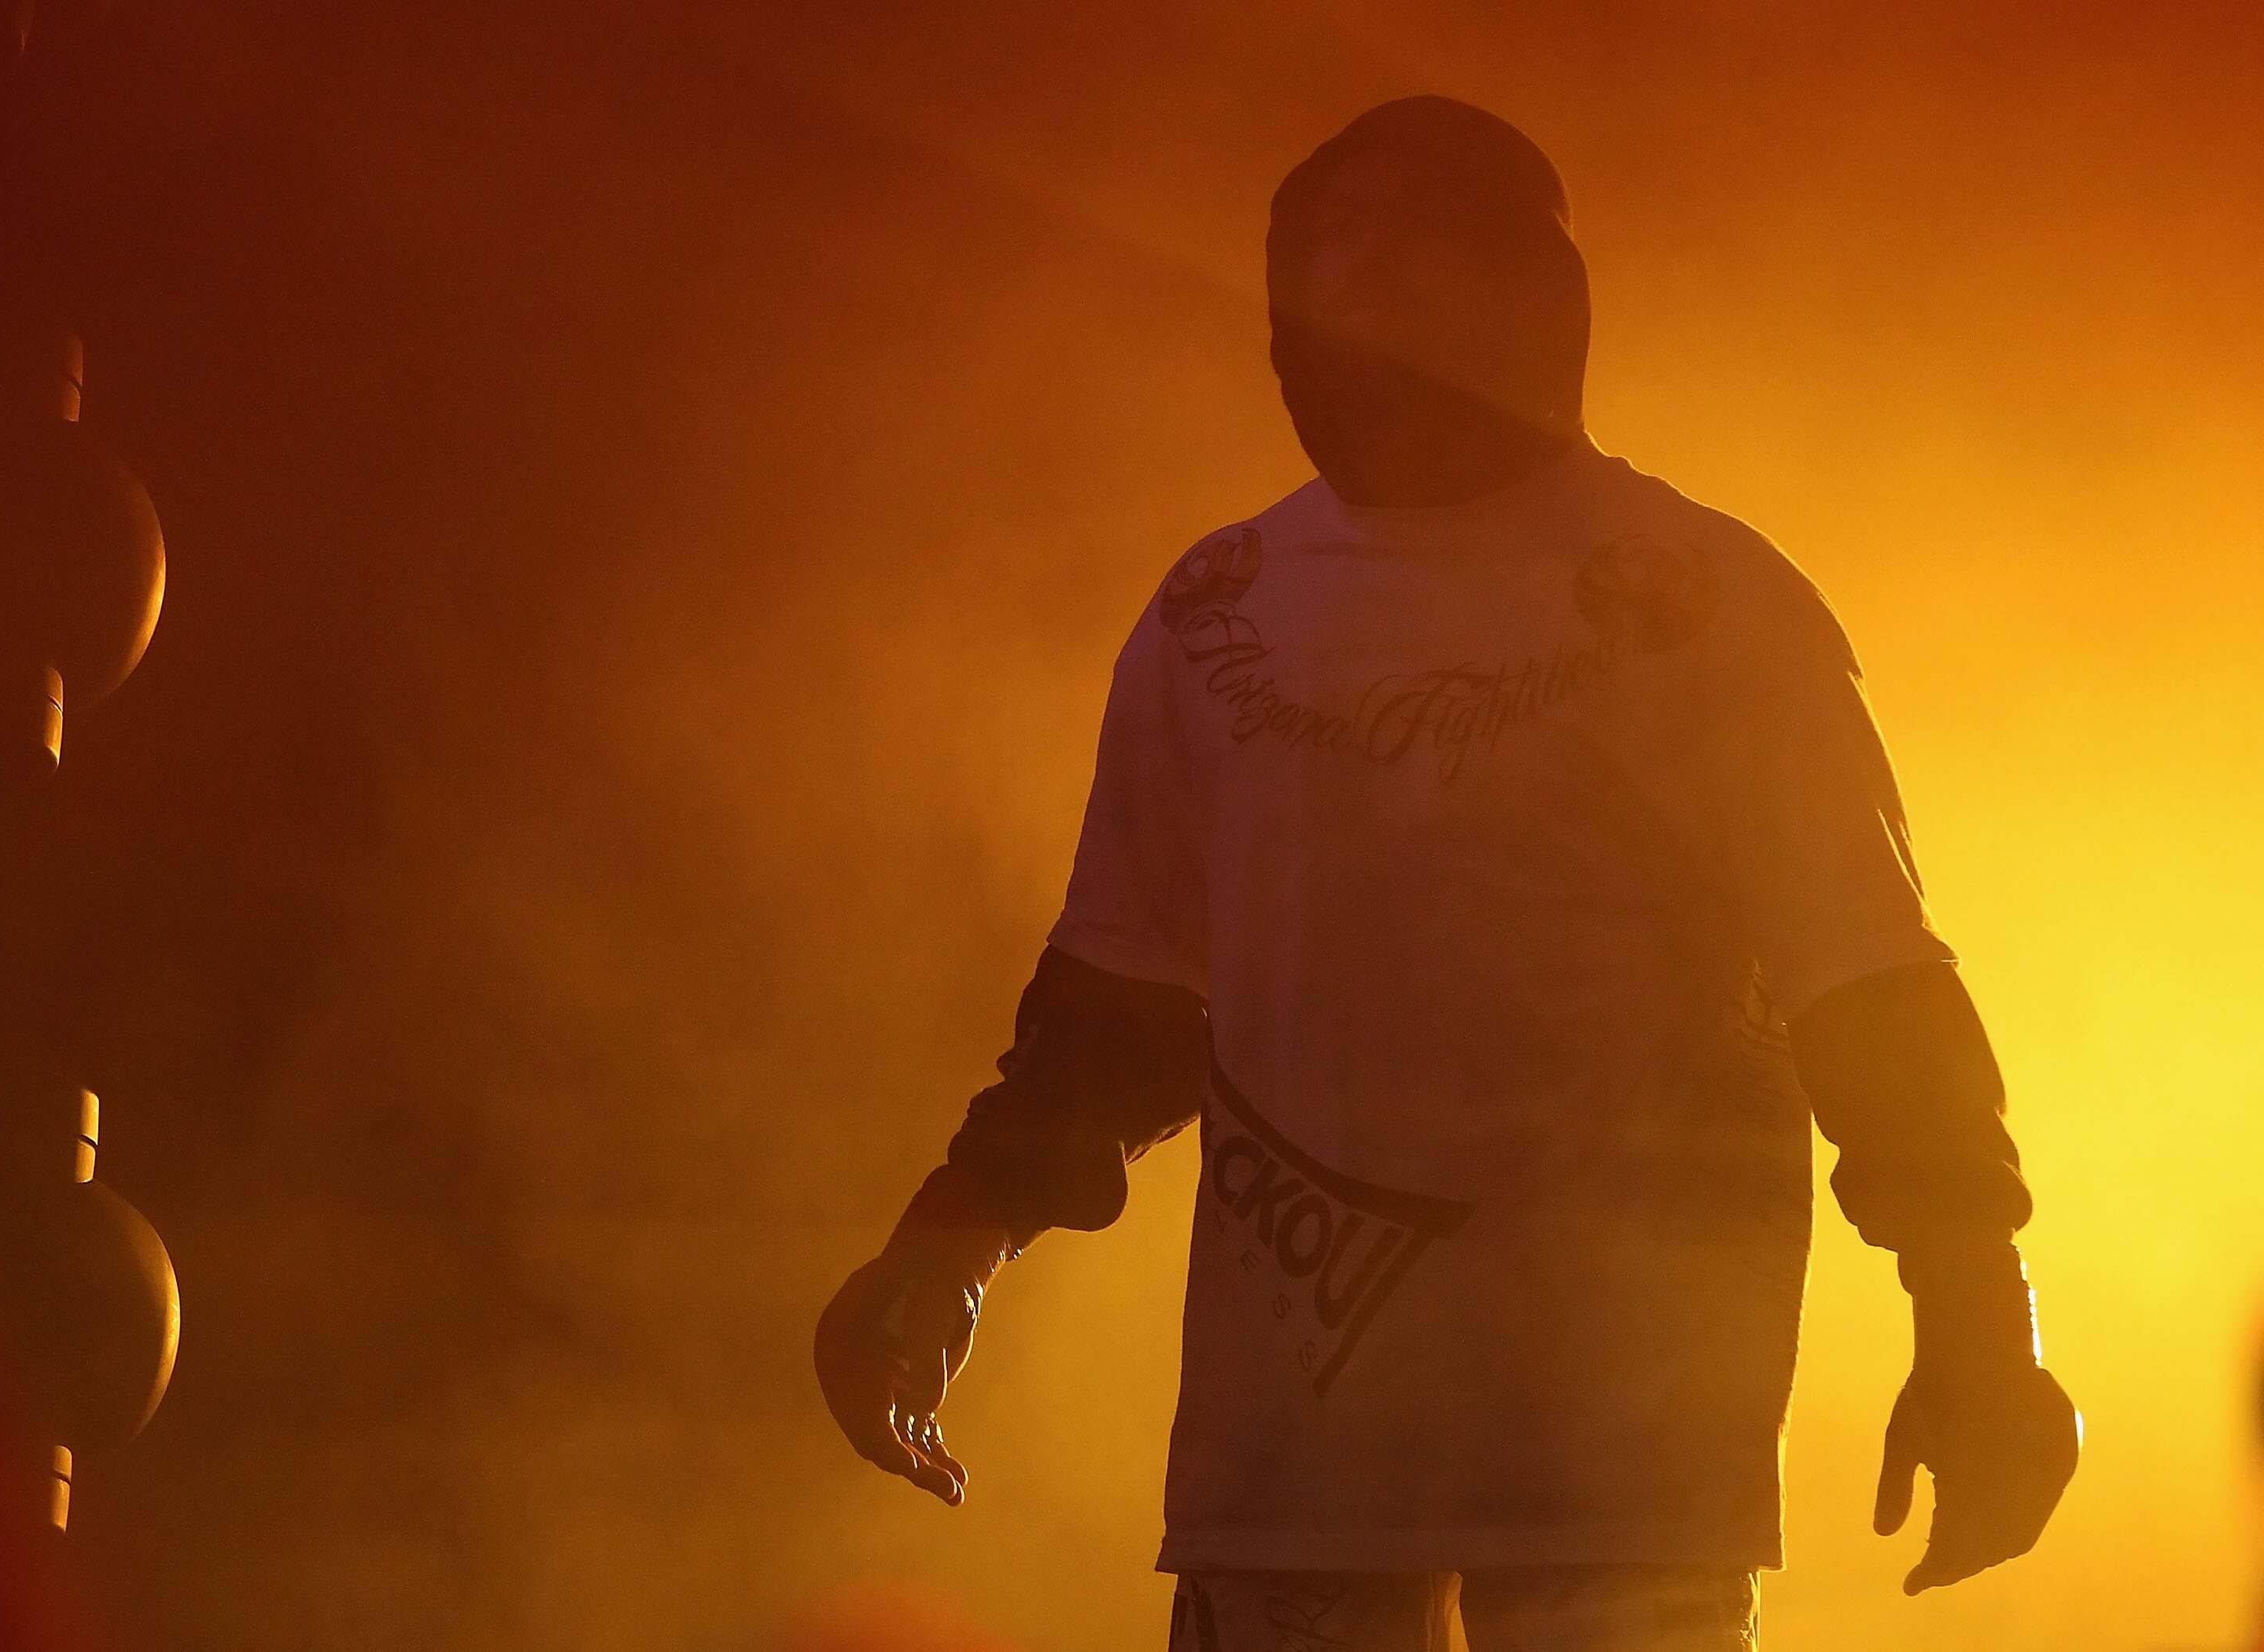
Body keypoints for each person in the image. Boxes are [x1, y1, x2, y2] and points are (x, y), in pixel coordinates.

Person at [813, 95, 2078, 1651]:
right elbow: (1120, 1008)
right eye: (1324, 274)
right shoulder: (1220, 611)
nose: (1362, 312)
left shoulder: (1708, 607)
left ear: (1533, 296)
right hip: (1297, 1457)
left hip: (1617, 1462)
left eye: (1411, 267)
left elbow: (1867, 982)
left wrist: (1980, 1317)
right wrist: (946, 1250)